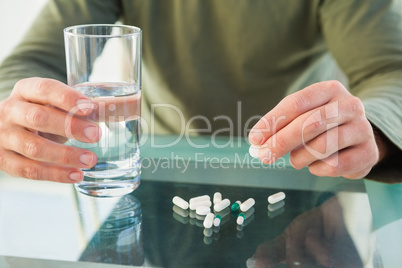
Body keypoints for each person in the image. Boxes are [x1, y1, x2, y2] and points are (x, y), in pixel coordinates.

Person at [0, 0, 400, 183]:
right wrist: (22, 115)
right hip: (158, 175)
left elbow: (391, 72)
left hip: (300, 172)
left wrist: (374, 131)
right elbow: (29, 64)